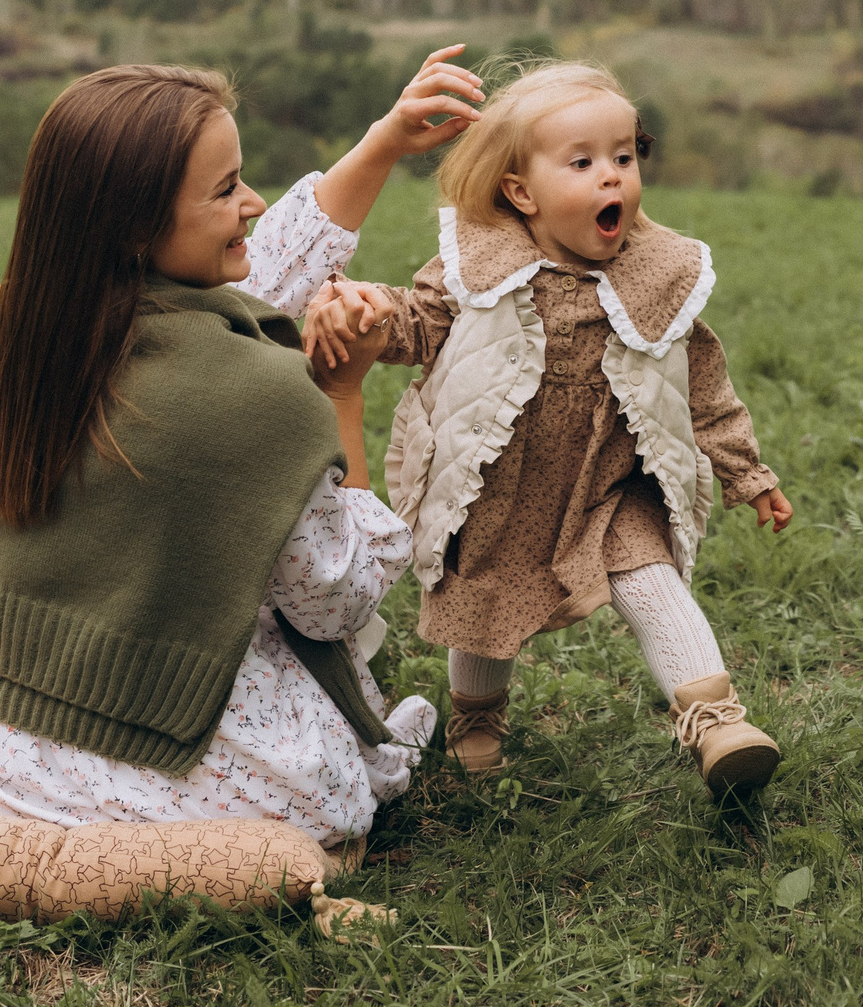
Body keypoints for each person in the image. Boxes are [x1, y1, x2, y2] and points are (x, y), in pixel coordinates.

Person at [0, 49, 481, 848]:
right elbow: (332, 600)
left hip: (12, 739)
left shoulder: (27, 332)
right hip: (162, 765)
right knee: (337, 779)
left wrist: (383, 142)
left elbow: (265, 266)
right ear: (137, 227)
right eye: (225, 189)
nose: (253, 201)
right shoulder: (256, 394)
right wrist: (342, 394)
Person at [295, 61, 794, 797]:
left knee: (651, 579)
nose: (611, 178)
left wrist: (747, 472)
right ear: (520, 190)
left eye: (624, 157)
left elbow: (703, 385)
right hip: (499, 485)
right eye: (583, 162)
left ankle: (716, 720)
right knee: (485, 604)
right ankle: (476, 719)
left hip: (612, 481)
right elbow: (421, 321)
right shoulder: (482, 267)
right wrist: (372, 313)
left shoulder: (658, 273)